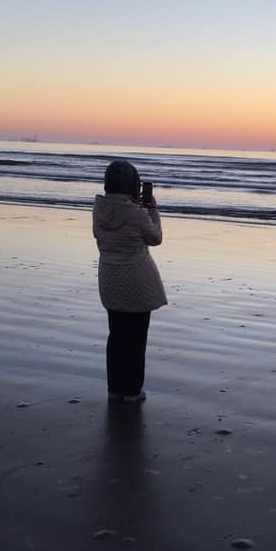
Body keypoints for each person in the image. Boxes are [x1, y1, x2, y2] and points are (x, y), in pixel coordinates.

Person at [93, 160, 167, 402]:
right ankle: (132, 391)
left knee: (116, 336)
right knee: (136, 340)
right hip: (137, 281)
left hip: (109, 277)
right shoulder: (136, 214)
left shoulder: (99, 210)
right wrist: (152, 210)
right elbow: (155, 238)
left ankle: (115, 388)